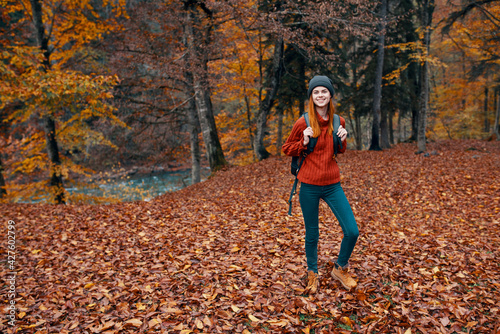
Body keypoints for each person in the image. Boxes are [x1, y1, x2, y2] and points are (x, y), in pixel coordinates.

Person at [282, 75, 359, 293]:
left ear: (330, 95)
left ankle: (340, 268)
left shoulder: (339, 121)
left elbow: (338, 150)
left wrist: (343, 140)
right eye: (316, 92)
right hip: (308, 185)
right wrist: (303, 142)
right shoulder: (303, 122)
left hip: (332, 184)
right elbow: (287, 148)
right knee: (312, 233)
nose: (320, 95)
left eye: (324, 91)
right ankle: (312, 272)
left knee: (352, 231)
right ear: (311, 97)